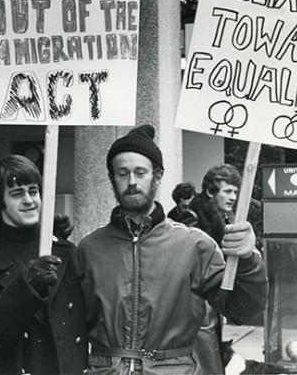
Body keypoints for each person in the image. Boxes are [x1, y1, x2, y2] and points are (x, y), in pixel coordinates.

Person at [73, 124, 267, 375]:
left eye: (140, 172)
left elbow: (243, 309)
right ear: (111, 178)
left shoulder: (195, 246)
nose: (132, 181)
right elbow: (70, 328)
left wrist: (248, 261)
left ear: (158, 175)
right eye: (122, 173)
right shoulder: (89, 248)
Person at [0, 155, 87, 375]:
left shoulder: (65, 250)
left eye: (33, 191)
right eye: (17, 194)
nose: (29, 200)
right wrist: (25, 287)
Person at [178, 163, 243, 374]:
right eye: (228, 191)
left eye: (235, 191)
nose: (233, 197)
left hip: (211, 302)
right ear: (209, 191)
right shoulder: (192, 219)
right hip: (192, 306)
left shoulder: (222, 221)